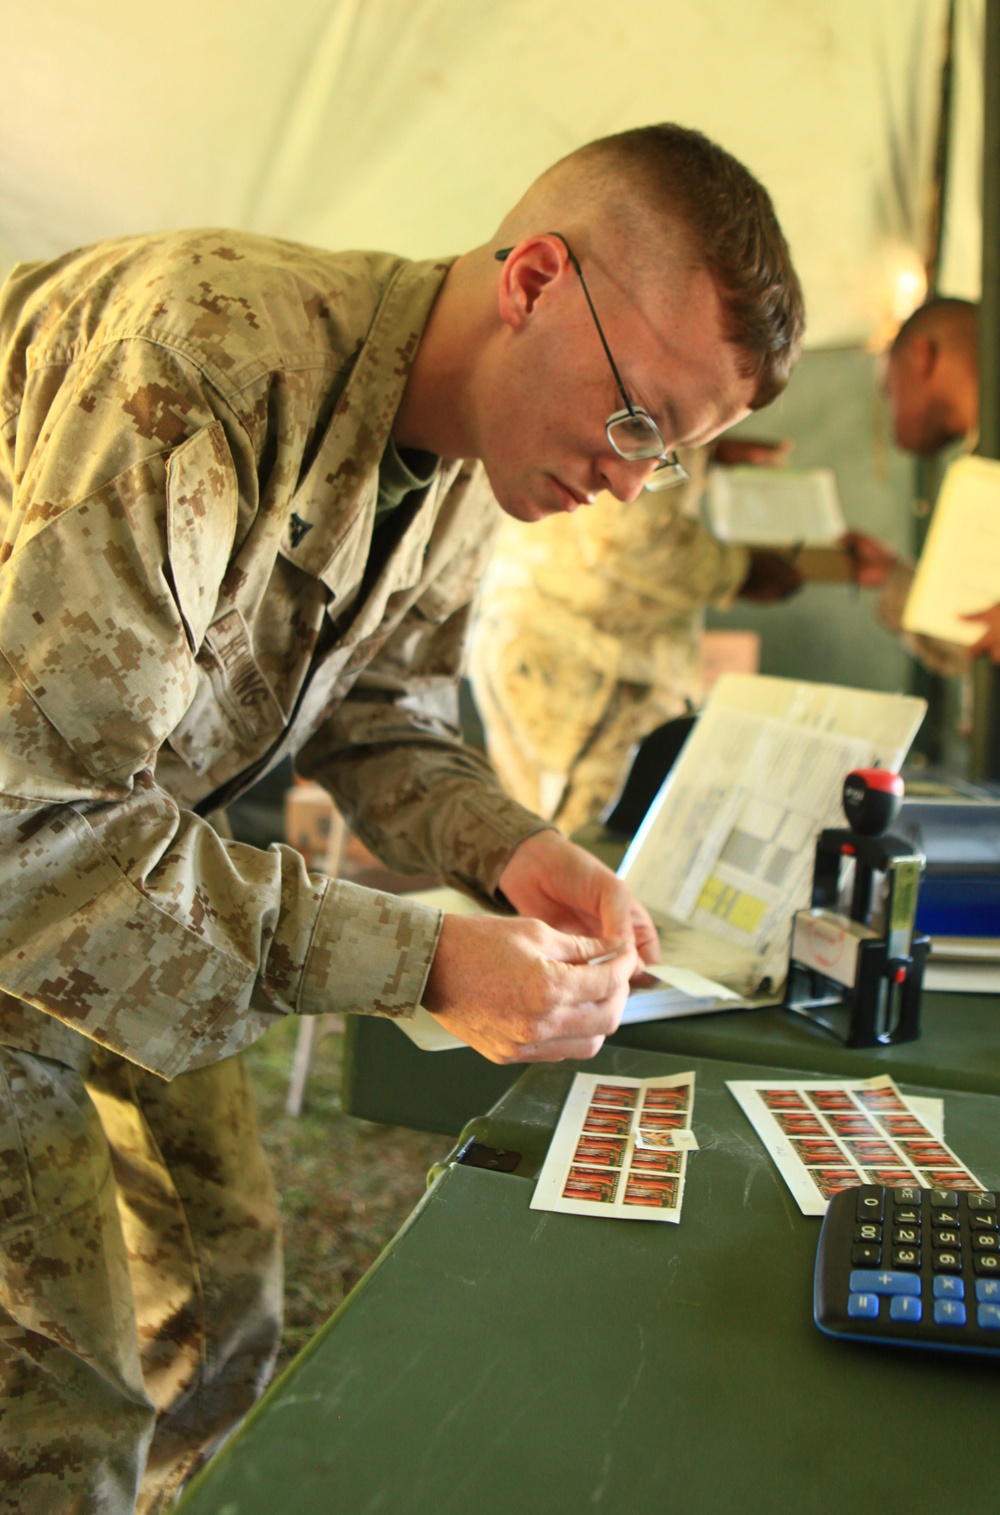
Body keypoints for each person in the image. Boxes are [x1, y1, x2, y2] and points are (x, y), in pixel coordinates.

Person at [0, 123, 803, 1511]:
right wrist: (426, 961)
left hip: (112, 853)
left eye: (664, 458)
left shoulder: (476, 456)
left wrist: (514, 847)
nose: (624, 482)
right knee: (54, 1387)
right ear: (535, 278)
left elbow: (377, 717)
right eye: (634, 424)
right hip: (31, 848)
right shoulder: (202, 362)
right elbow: (35, 822)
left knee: (224, 1291)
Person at [466, 436, 799, 834]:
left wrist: (705, 453)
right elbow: (631, 539)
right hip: (591, 672)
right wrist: (741, 570)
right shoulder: (657, 403)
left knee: (549, 840)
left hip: (547, 645)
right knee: (587, 848)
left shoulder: (647, 401)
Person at [849, 296, 991, 672]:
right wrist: (893, 577)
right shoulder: (975, 468)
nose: (890, 415)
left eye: (888, 392)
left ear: (921, 356)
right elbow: (973, 636)